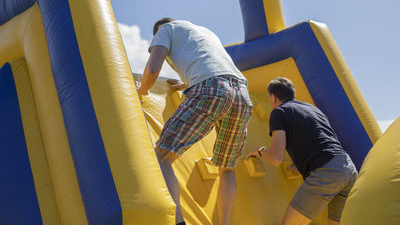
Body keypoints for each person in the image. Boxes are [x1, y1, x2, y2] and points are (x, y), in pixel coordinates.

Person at [137, 18, 253, 225]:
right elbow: (214, 66)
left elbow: (153, 68)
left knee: (163, 156)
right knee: (227, 168)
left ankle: (179, 222)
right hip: (242, 94)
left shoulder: (165, 30)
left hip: (210, 89)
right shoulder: (205, 32)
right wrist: (186, 83)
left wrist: (142, 91)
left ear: (158, 31)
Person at [246, 77, 358, 225]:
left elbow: (276, 158)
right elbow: (323, 143)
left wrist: (260, 151)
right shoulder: (313, 109)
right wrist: (300, 167)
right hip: (348, 169)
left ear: (273, 98)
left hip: (327, 173)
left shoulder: (279, 112)